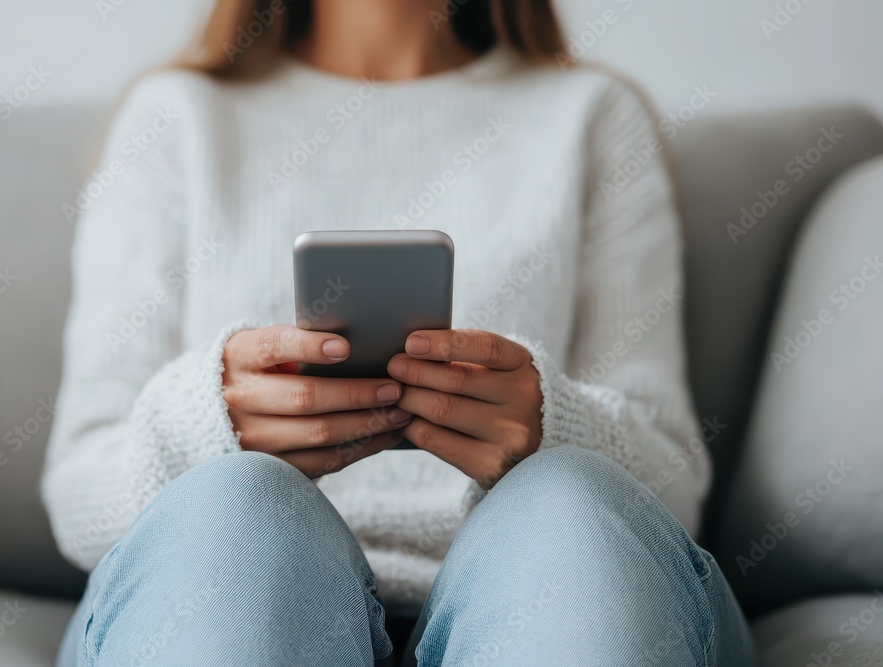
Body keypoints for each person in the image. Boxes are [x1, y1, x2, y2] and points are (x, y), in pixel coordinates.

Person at [43, 0, 756, 664]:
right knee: (239, 505)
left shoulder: (594, 115)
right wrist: (207, 424)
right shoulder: (176, 117)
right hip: (238, 595)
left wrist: (549, 428)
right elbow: (80, 498)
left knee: (568, 503)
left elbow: (673, 487)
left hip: (532, 595)